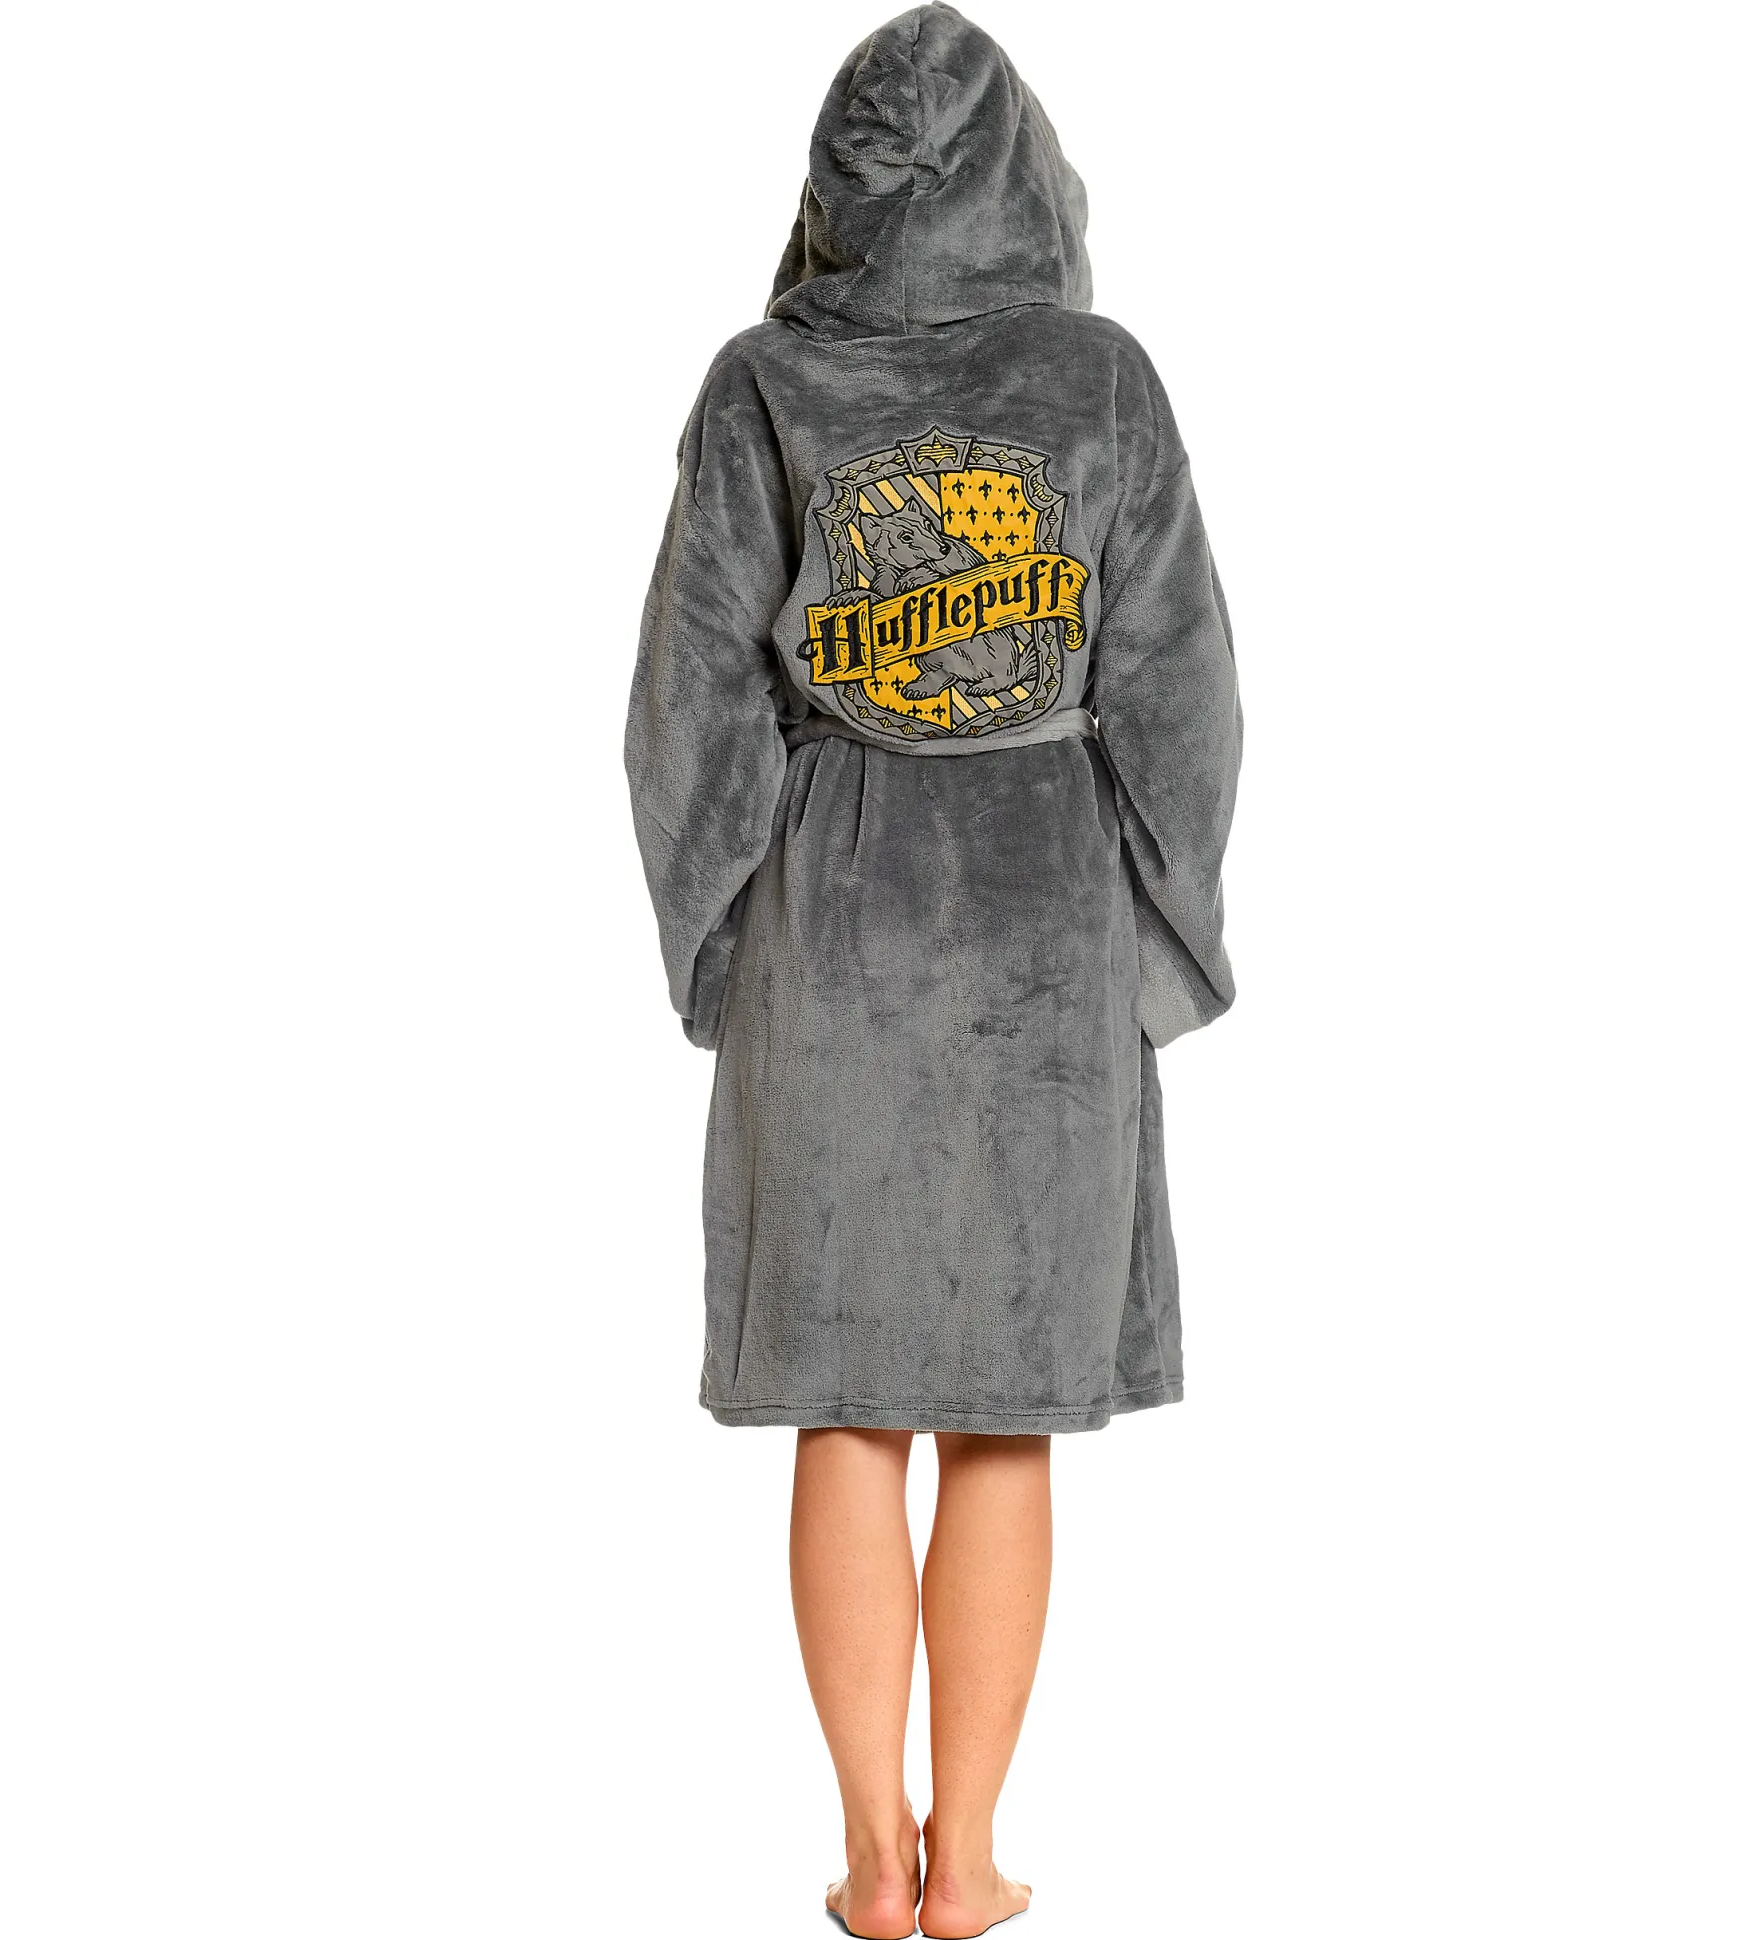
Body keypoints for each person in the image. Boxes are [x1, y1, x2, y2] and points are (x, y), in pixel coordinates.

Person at [625, 7, 1240, 1933]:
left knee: (844, 1399)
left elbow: (685, 707)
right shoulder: (1098, 380)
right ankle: (966, 1859)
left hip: (832, 924)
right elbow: (1184, 689)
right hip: (1042, 927)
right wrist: (1164, 928)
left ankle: (864, 1852)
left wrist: (724, 937)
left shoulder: (763, 382)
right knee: (1001, 1403)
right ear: (1029, 171)